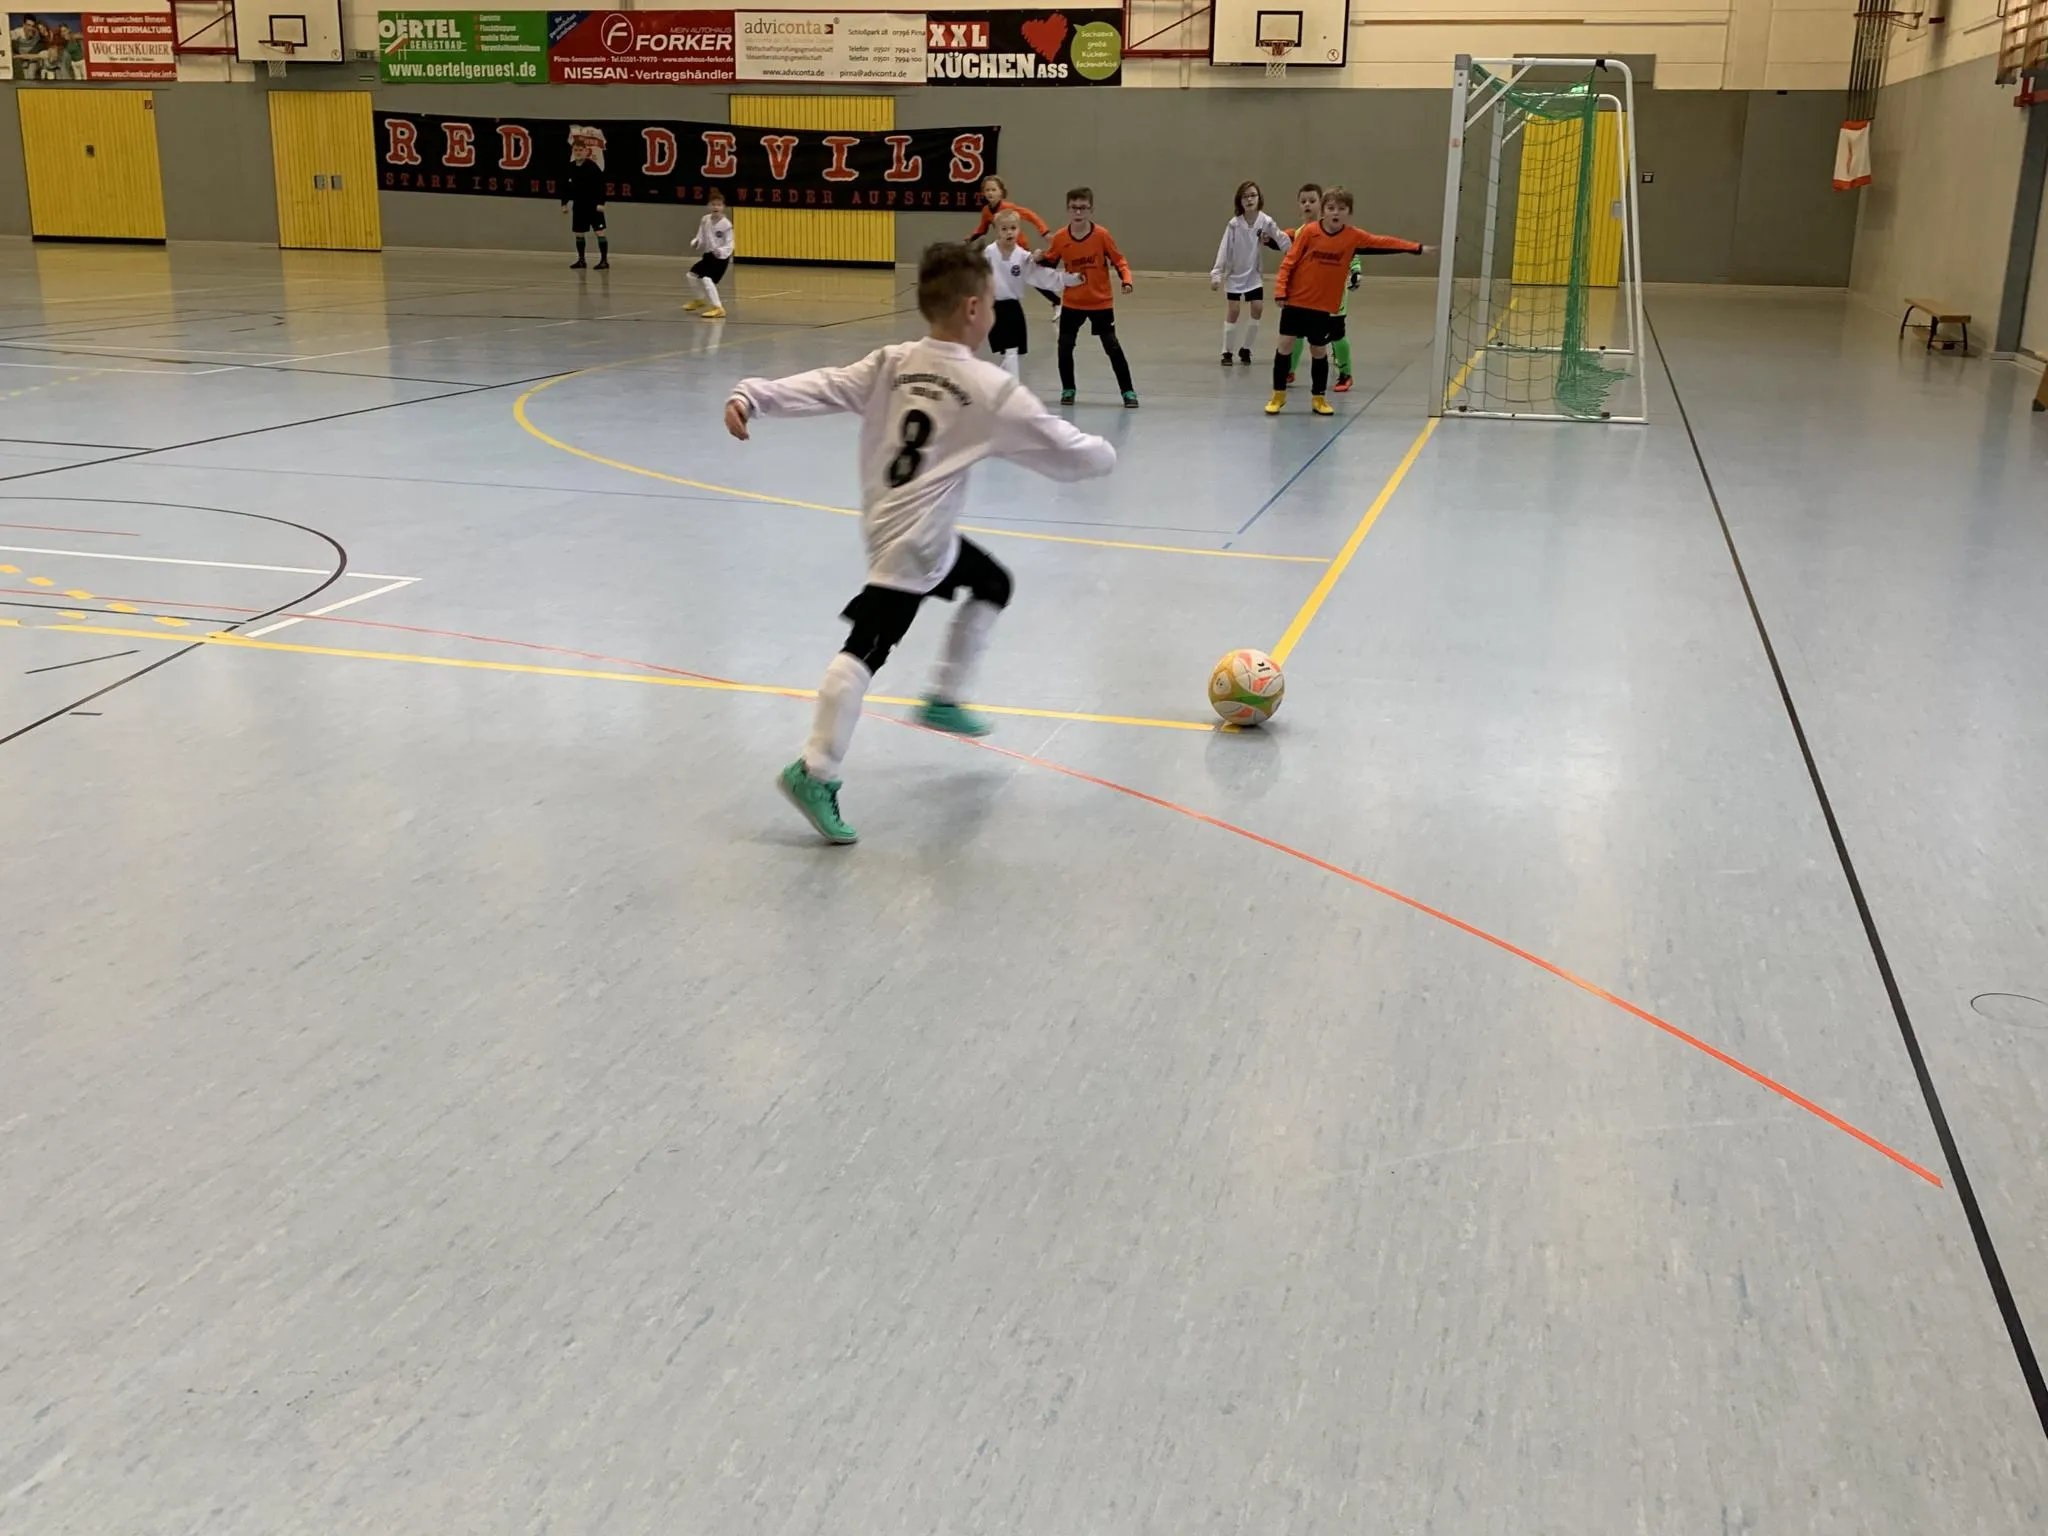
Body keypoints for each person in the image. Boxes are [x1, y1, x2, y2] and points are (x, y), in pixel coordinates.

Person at [724, 243, 1117, 845]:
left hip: (897, 526)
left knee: (992, 583)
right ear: (972, 309)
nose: (993, 313)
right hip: (915, 547)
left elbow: (824, 385)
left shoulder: (892, 363)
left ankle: (945, 695)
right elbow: (1064, 451)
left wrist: (753, 394)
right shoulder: (988, 387)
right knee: (866, 648)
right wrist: (1105, 454)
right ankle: (815, 770)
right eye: (991, 303)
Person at [1267, 187, 1431, 417]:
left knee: (1319, 351)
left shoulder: (1353, 237)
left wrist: (1416, 248)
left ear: (1349, 213)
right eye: (1331, 208)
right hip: (1295, 302)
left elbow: (1383, 242)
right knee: (1285, 346)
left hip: (1321, 307)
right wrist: (1281, 291)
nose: (1336, 212)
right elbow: (1289, 262)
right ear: (1323, 211)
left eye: (1342, 208)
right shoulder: (1309, 232)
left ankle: (1319, 398)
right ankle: (1278, 395)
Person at [1037, 187, 1138, 409]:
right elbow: (1050, 261)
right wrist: (1038, 258)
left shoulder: (1101, 235)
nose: (1078, 212)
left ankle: (1128, 391)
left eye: (1083, 208)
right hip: (1073, 303)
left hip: (1100, 302)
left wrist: (1127, 280)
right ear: (1068, 210)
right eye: (1074, 208)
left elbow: (1119, 261)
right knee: (1065, 345)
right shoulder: (1061, 237)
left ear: (1091, 210)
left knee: (1112, 346)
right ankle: (1068, 388)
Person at [983, 210, 1080, 377]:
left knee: (1017, 352)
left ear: (1019, 229)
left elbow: (1043, 277)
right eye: (1004, 229)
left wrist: (1071, 279)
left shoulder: (1023, 257)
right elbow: (975, 277)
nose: (1009, 232)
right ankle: (1012, 388)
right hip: (994, 307)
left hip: (1014, 307)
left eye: (1013, 228)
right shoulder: (988, 253)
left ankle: (997, 382)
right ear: (996, 231)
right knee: (1011, 350)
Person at [1211, 180, 1291, 368]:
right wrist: (1217, 273)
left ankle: (1246, 348)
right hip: (1235, 275)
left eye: (1253, 195)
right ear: (1239, 201)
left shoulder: (1266, 221)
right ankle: (1227, 351)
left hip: (1253, 275)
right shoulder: (1234, 225)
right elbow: (1224, 249)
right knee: (1234, 310)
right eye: (1245, 196)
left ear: (1259, 198)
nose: (1249, 200)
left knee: (1257, 308)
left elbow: (1281, 239)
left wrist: (1293, 252)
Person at [562, 132, 608, 270]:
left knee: (600, 232)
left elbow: (601, 186)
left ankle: (604, 261)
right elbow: (566, 187)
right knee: (579, 233)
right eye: (575, 150)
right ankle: (581, 260)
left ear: (586, 151)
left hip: (593, 205)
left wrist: (601, 203)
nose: (578, 152)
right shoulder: (570, 167)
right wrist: (564, 203)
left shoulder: (592, 167)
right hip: (579, 205)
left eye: (580, 150)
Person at [685, 191, 734, 320]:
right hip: (708, 255)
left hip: (720, 258)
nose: (716, 207)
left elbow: (730, 244)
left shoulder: (726, 225)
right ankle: (699, 300)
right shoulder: (705, 219)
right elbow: (701, 236)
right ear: (708, 206)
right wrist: (696, 242)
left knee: (707, 279)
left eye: (719, 205)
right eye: (713, 204)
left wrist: (721, 251)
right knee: (691, 275)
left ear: (723, 207)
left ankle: (718, 308)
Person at [964, 175, 1049, 248]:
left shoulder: (1008, 207)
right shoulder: (986, 210)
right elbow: (982, 229)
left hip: (1019, 245)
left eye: (993, 190)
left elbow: (1030, 215)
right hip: (1003, 245)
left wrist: (1045, 232)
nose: (990, 193)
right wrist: (971, 238)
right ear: (983, 192)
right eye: (987, 190)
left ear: (1001, 192)